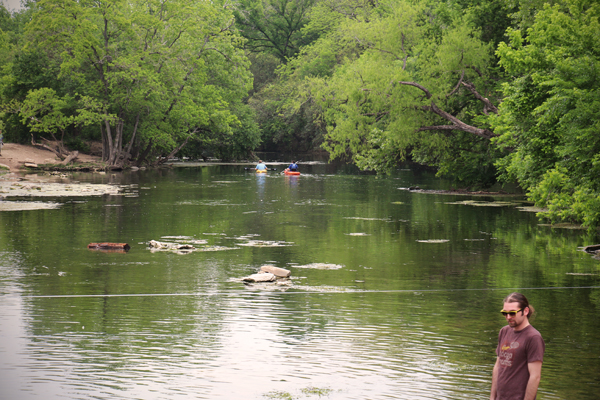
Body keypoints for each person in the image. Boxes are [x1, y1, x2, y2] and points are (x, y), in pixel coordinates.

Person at [490, 292, 545, 400]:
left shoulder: (533, 338)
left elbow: (535, 377)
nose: (508, 317)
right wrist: (492, 397)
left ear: (525, 311)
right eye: (505, 313)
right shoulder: (504, 331)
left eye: (512, 313)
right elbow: (497, 367)